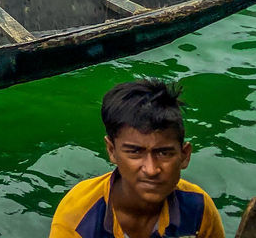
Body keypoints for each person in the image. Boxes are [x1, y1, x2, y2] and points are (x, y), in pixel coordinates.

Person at [50, 79, 224, 237]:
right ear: (112, 150)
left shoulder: (197, 207)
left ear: (184, 156)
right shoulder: (79, 216)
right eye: (135, 152)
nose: (151, 169)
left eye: (164, 153)